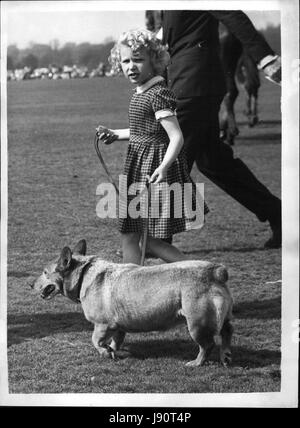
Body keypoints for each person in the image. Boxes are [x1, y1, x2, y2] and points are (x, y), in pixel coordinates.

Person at [158, 10, 282, 249]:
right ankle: (278, 214)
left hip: (193, 83)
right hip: (191, 81)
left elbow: (232, 13)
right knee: (213, 160)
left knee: (169, 159)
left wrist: (265, 58)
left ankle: (158, 240)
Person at [97, 29, 208, 264]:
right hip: (138, 166)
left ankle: (195, 273)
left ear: (155, 61)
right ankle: (136, 286)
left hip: (152, 170)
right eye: (126, 61)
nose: (131, 66)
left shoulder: (157, 94)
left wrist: (164, 167)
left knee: (142, 238)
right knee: (136, 236)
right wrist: (115, 134)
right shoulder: (141, 93)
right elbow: (144, 132)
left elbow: (176, 136)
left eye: (138, 60)